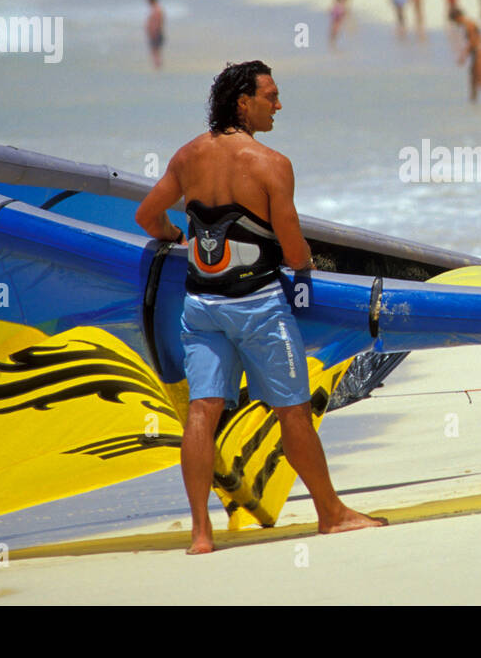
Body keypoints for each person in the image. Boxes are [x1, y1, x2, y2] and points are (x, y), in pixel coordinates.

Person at [134, 61, 385, 552]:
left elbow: (147, 215)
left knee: (203, 411)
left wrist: (171, 236)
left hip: (201, 307)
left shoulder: (188, 156)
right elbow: (293, 251)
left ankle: (201, 534)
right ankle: (331, 515)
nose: (278, 105)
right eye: (270, 96)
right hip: (259, 308)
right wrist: (308, 266)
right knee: (292, 411)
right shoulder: (271, 164)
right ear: (243, 102)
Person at [450, 7, 481, 102]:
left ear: (458, 17)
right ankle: (473, 102)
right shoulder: (469, 24)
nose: (456, 24)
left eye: (455, 21)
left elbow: (473, 42)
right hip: (478, 52)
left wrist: (463, 56)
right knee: (472, 78)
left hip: (480, 51)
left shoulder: (469, 25)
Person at [145, 0, 165, 69]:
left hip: (156, 33)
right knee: (155, 50)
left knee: (156, 50)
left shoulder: (157, 10)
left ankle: (157, 66)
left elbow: (158, 22)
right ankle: (157, 65)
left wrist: (154, 32)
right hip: (154, 33)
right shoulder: (155, 9)